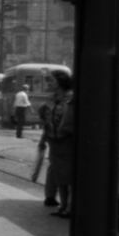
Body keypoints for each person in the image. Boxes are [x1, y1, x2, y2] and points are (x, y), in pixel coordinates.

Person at [39, 71, 75, 216]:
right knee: (59, 176)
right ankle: (63, 206)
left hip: (67, 141)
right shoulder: (51, 98)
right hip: (54, 141)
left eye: (51, 80)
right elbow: (47, 121)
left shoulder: (71, 97)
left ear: (60, 82)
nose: (49, 83)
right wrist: (43, 139)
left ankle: (70, 207)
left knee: (68, 176)